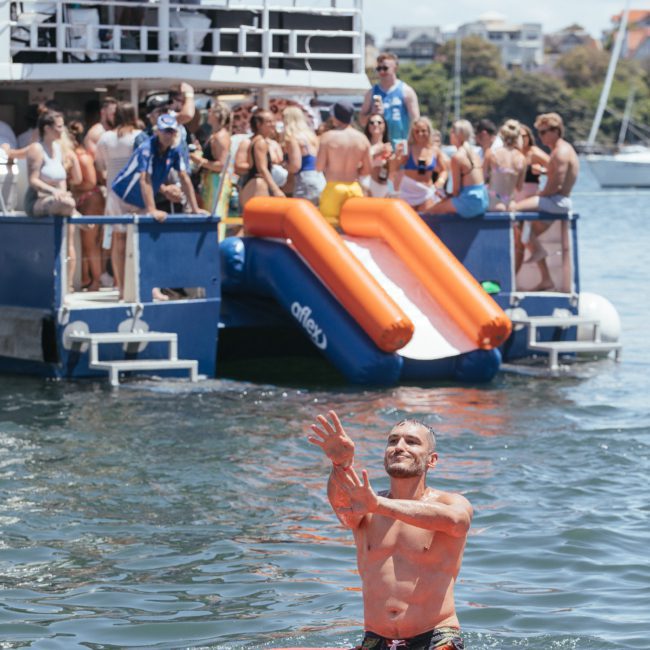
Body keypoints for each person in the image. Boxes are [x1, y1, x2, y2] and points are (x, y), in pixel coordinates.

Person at [308, 410, 472, 650]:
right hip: (375, 639)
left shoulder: (449, 502)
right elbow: (344, 511)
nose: (399, 446)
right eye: (393, 441)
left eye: (412, 442)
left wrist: (379, 505)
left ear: (432, 460)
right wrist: (340, 464)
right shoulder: (367, 506)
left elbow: (458, 522)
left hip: (435, 639)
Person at [514, 112, 580, 291]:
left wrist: (539, 195)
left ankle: (537, 253)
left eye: (544, 132)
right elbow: (556, 175)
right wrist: (543, 172)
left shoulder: (561, 152)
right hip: (557, 201)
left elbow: (556, 185)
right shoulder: (559, 151)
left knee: (513, 211)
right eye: (539, 133)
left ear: (556, 131)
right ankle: (546, 278)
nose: (541, 137)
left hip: (556, 201)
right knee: (526, 232)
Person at [24, 111, 82, 292]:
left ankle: (68, 285)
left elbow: (63, 179)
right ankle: (76, 214)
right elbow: (33, 180)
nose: (62, 130)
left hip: (60, 201)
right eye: (59, 126)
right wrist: (55, 192)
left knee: (69, 241)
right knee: (68, 206)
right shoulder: (36, 148)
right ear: (47, 128)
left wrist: (62, 194)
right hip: (38, 200)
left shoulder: (58, 148)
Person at [95, 101, 142, 300]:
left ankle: (121, 288)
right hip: (134, 191)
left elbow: (99, 164)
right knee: (136, 239)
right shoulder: (138, 137)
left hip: (114, 192)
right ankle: (135, 286)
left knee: (118, 240)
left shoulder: (105, 138)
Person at [316, 101, 371, 228]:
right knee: (354, 227)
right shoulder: (362, 139)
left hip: (334, 188)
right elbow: (368, 169)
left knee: (330, 229)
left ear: (335, 117)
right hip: (354, 188)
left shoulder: (328, 137)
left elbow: (319, 167)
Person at [68, 120, 104, 291]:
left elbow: (90, 182)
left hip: (92, 201)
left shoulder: (82, 156)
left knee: (91, 244)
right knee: (85, 244)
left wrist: (73, 187)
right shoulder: (76, 155)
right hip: (88, 201)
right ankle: (86, 278)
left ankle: (96, 281)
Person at [360, 52, 420, 149]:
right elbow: (362, 121)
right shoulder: (371, 93)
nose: (382, 72)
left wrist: (409, 142)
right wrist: (372, 114)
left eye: (385, 68)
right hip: (378, 146)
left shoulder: (406, 91)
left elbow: (416, 120)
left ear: (395, 68)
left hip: (399, 145)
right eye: (379, 69)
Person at [429, 120, 488, 219]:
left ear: (457, 135)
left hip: (470, 202)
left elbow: (456, 191)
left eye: (452, 132)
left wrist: (445, 196)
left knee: (431, 212)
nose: (450, 134)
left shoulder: (457, 157)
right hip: (483, 200)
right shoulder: (475, 154)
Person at [397, 117, 448, 212]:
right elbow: (395, 167)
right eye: (417, 131)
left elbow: (444, 170)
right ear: (413, 133)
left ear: (429, 131)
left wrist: (439, 182)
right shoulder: (408, 148)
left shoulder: (435, 150)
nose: (420, 134)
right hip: (408, 192)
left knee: (427, 221)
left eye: (423, 131)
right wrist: (397, 155)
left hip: (426, 192)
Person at [238, 109, 285, 210]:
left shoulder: (256, 141)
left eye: (273, 121)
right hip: (258, 185)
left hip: (251, 184)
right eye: (269, 122)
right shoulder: (260, 142)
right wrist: (276, 190)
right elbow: (262, 169)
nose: (273, 124)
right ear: (258, 124)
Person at [193, 101, 232, 217]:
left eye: (210, 111)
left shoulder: (221, 136)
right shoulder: (214, 134)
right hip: (210, 181)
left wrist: (200, 161)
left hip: (216, 183)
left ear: (217, 115)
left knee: (214, 215)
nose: (208, 113)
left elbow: (221, 165)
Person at [282, 105, 325, 206]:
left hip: (305, 181)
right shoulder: (311, 137)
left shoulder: (293, 139)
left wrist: (284, 165)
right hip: (319, 178)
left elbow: (295, 166)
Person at [483, 119, 526, 211]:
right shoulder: (521, 158)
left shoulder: (491, 153)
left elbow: (482, 179)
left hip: (493, 201)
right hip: (511, 204)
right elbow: (519, 187)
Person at [515, 123, 549, 201]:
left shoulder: (534, 152)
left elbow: (555, 168)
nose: (521, 139)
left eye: (523, 136)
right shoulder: (512, 153)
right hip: (513, 197)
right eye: (518, 137)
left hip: (531, 196)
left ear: (529, 137)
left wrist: (542, 171)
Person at [363, 113, 393, 198]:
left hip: (384, 186)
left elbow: (392, 171)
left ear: (384, 126)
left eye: (379, 122)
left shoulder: (388, 147)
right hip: (366, 185)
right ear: (368, 126)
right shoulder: (364, 146)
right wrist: (376, 154)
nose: (375, 124)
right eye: (372, 122)